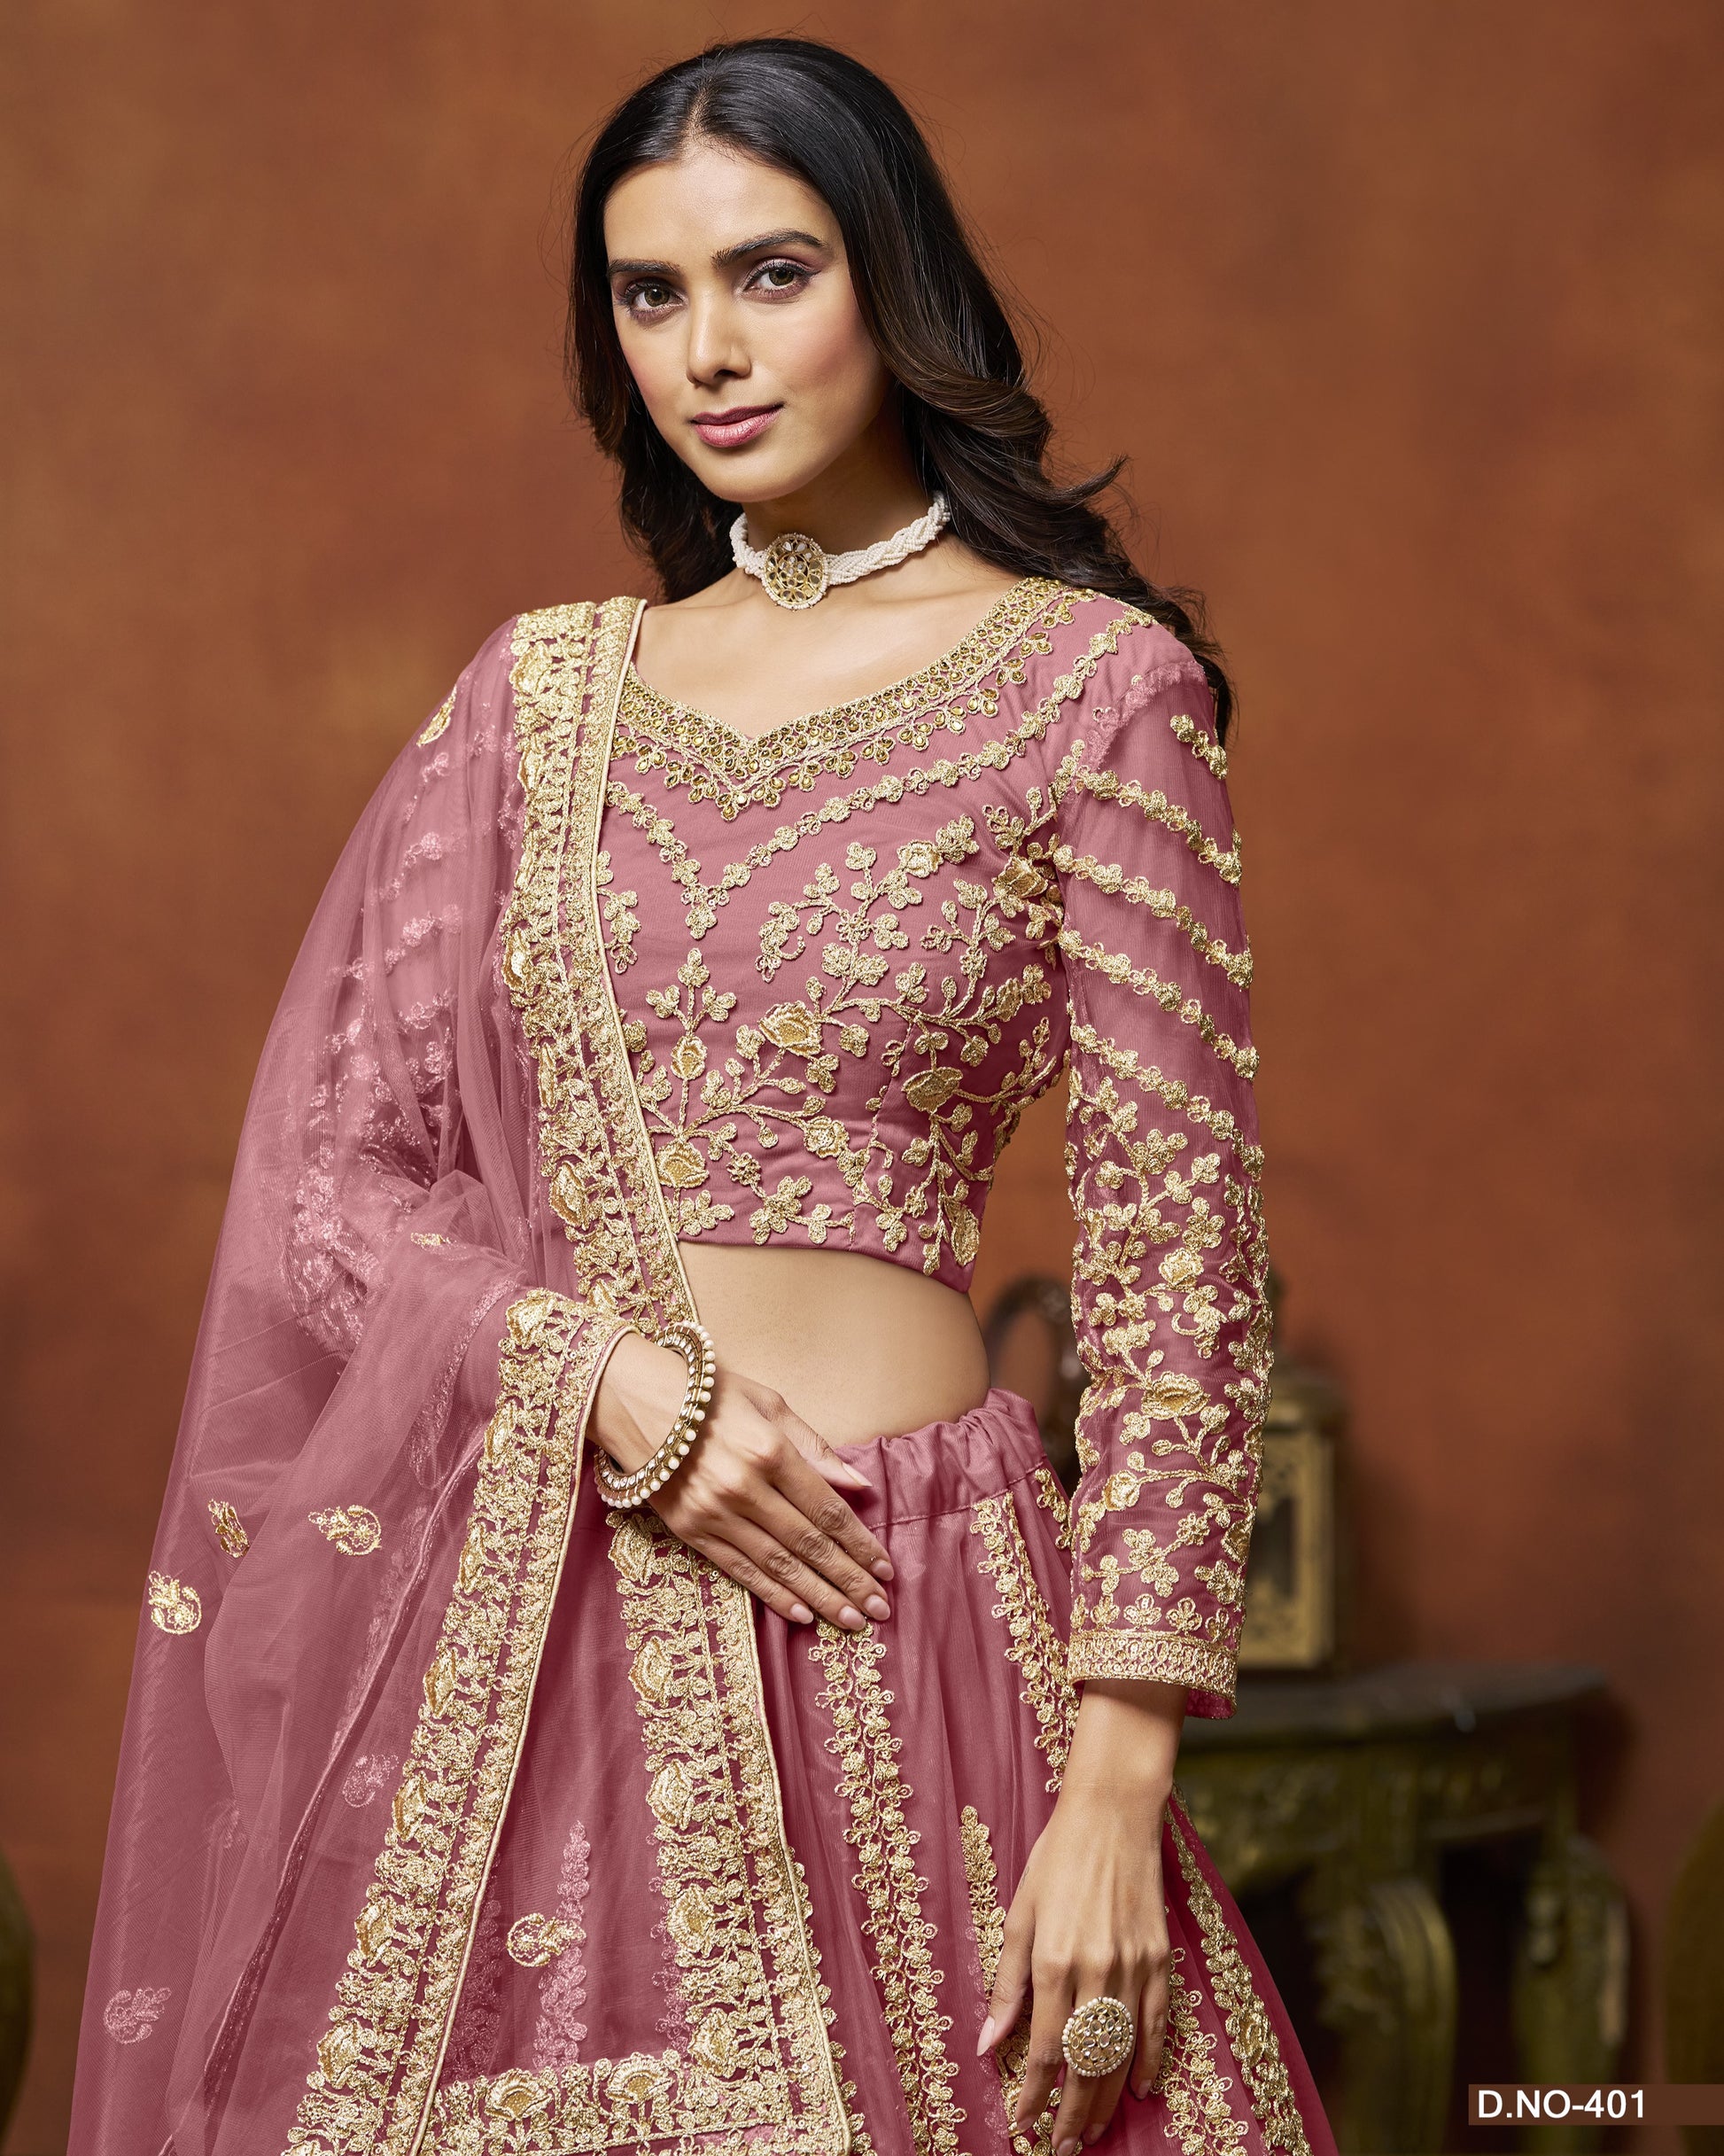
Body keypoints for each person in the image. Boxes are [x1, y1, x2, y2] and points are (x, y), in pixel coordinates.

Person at [70, 36, 1334, 2156]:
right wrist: (597, 1382)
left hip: (899, 1599)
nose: (707, 352)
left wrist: (1119, 1771)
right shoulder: (532, 700)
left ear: (891, 284)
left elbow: (1174, 1259)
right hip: (536, 1602)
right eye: (650, 296)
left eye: (770, 272)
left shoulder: (1089, 688)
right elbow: (331, 1185)